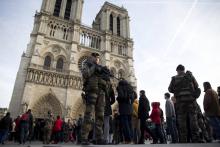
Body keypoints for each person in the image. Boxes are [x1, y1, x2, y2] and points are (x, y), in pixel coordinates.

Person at [168, 64, 202, 143]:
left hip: (180, 103)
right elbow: (196, 86)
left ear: (178, 70)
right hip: (191, 102)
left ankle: (183, 140)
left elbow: (170, 89)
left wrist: (178, 90)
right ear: (184, 69)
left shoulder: (174, 78)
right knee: (193, 121)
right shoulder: (190, 76)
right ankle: (196, 139)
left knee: (182, 122)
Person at [80, 52, 107, 145]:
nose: (96, 59)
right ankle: (84, 138)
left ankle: (99, 138)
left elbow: (107, 83)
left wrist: (105, 75)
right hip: (91, 91)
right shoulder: (86, 65)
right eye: (94, 57)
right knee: (89, 115)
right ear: (91, 58)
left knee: (100, 115)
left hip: (101, 93)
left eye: (97, 57)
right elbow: (86, 75)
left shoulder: (101, 68)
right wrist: (94, 67)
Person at [116, 79, 135, 144]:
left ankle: (128, 140)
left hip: (123, 108)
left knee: (125, 125)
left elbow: (121, 96)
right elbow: (135, 96)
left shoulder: (120, 87)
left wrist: (118, 99)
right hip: (130, 107)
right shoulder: (130, 88)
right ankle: (131, 139)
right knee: (130, 124)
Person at [103, 79, 115, 144]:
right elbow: (113, 99)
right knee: (106, 123)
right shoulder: (110, 88)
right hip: (107, 106)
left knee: (97, 122)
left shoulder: (100, 85)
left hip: (99, 105)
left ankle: (97, 138)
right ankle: (106, 139)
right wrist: (109, 103)